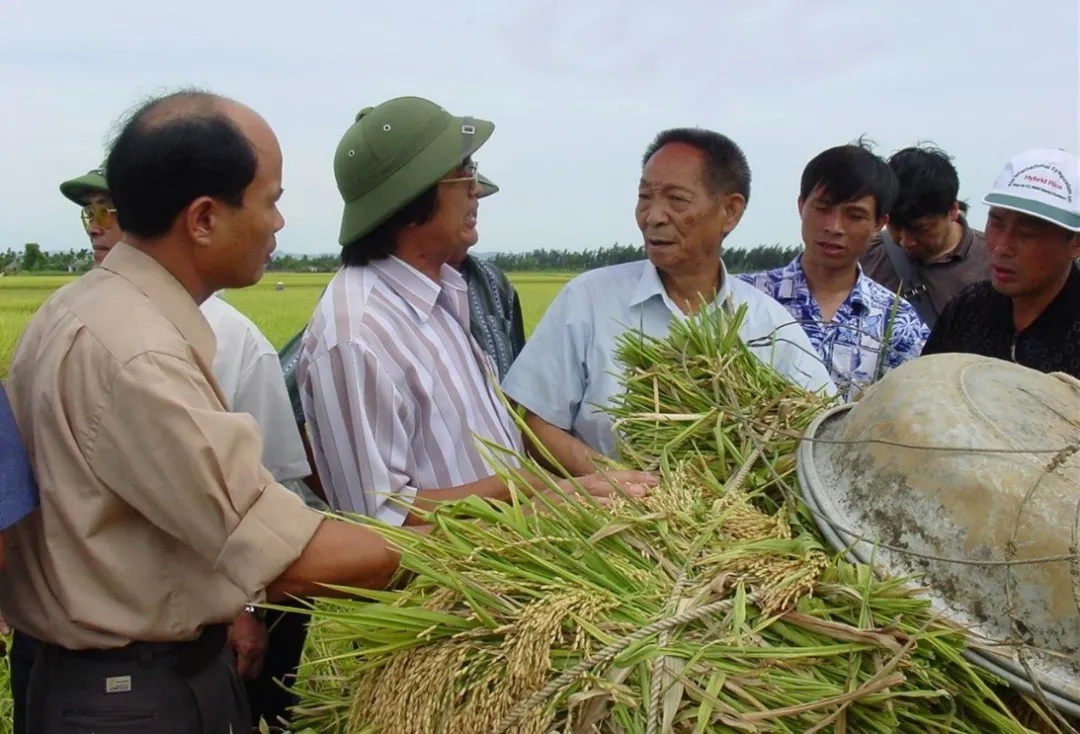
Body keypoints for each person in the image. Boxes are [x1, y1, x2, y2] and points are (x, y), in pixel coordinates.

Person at [0, 89, 425, 734]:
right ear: (203, 219)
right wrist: (488, 543)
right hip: (131, 698)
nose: (279, 223)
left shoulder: (89, 309)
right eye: (271, 200)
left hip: (123, 680)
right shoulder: (137, 356)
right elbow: (289, 558)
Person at [297, 95, 655, 522]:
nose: (477, 189)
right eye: (463, 172)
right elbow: (381, 519)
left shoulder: (440, 292)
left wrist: (539, 490)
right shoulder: (357, 334)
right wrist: (516, 493)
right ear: (411, 196)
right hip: (443, 584)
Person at [55, 159, 318, 731]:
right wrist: (447, 545)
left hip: (131, 663)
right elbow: (278, 544)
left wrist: (248, 611)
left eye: (109, 210)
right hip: (133, 678)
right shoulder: (133, 345)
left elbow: (273, 487)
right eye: (89, 213)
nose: (97, 226)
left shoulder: (231, 340)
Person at [500, 128, 837, 474]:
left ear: (730, 211)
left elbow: (823, 433)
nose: (653, 216)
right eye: (645, 197)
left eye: (676, 199)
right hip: (607, 515)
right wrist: (622, 484)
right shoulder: (587, 300)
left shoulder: (768, 324)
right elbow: (535, 421)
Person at [737, 141, 929, 402]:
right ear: (801, 205)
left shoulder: (897, 323)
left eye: (854, 215)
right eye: (823, 208)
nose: (834, 226)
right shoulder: (742, 299)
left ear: (879, 224)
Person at [922, 148, 1080, 378]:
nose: (1002, 247)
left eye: (1026, 233)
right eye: (996, 223)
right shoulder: (968, 309)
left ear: (1075, 242)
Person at [859, 145, 990, 327]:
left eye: (921, 229)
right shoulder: (865, 253)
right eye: (895, 227)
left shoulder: (993, 262)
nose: (906, 242)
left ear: (952, 210)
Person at [447, 173, 527, 381]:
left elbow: (518, 383)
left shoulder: (494, 282)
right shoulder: (372, 300)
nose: (476, 192)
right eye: (462, 183)